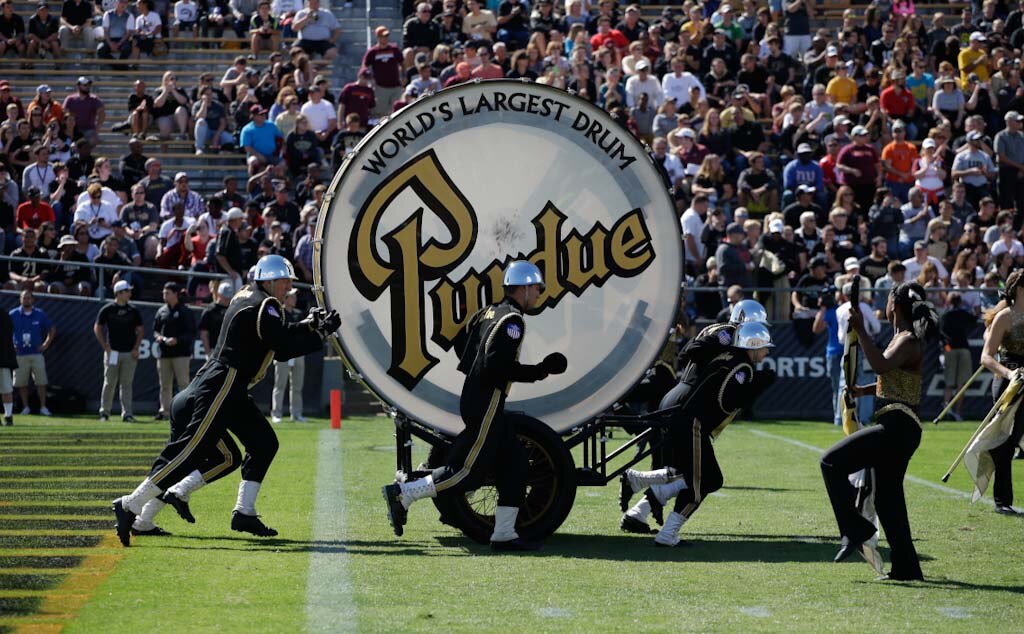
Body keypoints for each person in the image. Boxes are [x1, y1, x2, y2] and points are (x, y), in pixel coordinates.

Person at [111, 255, 339, 546]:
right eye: (284, 281)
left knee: (263, 442)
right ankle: (130, 503)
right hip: (224, 381)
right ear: (268, 280)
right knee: (192, 450)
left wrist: (308, 326)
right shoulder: (265, 304)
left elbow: (274, 335)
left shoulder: (250, 295)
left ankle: (244, 511)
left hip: (229, 383)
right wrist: (318, 334)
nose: (288, 286)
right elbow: (280, 347)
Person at [382, 261, 568, 551]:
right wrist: (540, 371)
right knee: (466, 470)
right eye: (537, 289)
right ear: (525, 287)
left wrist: (479, 372)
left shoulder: (488, 312)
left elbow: (464, 347)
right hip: (487, 399)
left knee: (516, 463)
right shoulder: (512, 321)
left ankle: (504, 534)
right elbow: (497, 367)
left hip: (477, 395)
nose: (539, 294)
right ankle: (403, 494)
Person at [620, 321, 777, 546]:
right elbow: (730, 400)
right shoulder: (741, 366)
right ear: (752, 344)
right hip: (691, 422)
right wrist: (759, 385)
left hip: (682, 413)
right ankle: (667, 534)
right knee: (702, 482)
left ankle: (638, 482)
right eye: (764, 347)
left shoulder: (727, 355)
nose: (766, 353)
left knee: (698, 475)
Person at [821, 282, 938, 581]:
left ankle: (856, 528)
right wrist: (862, 391)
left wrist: (860, 328)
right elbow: (892, 378)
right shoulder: (903, 338)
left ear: (894, 306)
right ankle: (907, 568)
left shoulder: (907, 340)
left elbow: (882, 365)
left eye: (886, 301)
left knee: (831, 462)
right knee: (888, 500)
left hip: (896, 427)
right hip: (900, 426)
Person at [979, 270, 1024, 515]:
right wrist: (1009, 374)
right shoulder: (1005, 317)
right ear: (1019, 289)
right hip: (1008, 382)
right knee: (1005, 442)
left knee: (1015, 439)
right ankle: (1002, 500)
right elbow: (986, 356)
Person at [94, 279, 143, 422]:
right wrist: (106, 347)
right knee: (109, 383)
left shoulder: (133, 310)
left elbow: (140, 330)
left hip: (129, 353)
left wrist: (135, 348)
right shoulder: (108, 309)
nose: (130, 293)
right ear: (119, 293)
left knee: (126, 384)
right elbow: (97, 327)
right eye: (127, 291)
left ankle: (127, 414)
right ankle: (104, 413)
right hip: (112, 352)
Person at [153, 282, 194, 421]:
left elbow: (191, 333)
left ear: (176, 294)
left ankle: (184, 412)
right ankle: (164, 412)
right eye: (164, 292)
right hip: (164, 353)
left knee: (183, 384)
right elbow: (155, 330)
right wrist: (159, 337)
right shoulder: (161, 311)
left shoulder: (185, 311)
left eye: (167, 292)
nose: (164, 295)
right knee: (165, 385)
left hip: (181, 354)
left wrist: (177, 340)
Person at [10, 289, 54, 416]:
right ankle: (25, 407)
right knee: (21, 382)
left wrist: (46, 344)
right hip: (19, 354)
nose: (26, 300)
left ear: (32, 299)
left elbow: (51, 329)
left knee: (41, 381)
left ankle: (43, 407)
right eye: (24, 298)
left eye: (28, 298)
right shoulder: (13, 314)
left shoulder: (40, 314)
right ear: (20, 299)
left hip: (36, 353)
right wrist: (11, 345)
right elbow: (5, 330)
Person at [271, 288, 305, 423]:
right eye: (292, 297)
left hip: (298, 353)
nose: (295, 299)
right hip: (283, 353)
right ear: (285, 299)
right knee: (280, 385)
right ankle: (276, 414)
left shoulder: (299, 314)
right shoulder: (279, 313)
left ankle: (296, 414)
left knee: (297, 386)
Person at [199, 281, 233, 358]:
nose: (228, 298)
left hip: (229, 351)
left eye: (229, 296)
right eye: (225, 296)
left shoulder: (232, 309)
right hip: (214, 350)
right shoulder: (210, 311)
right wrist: (208, 353)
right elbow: (204, 334)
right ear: (219, 294)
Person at [0, 306, 17, 425]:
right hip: (4, 359)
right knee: (6, 389)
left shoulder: (4, 315)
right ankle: (8, 416)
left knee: (6, 389)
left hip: (3, 358)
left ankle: (8, 416)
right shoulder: (5, 315)